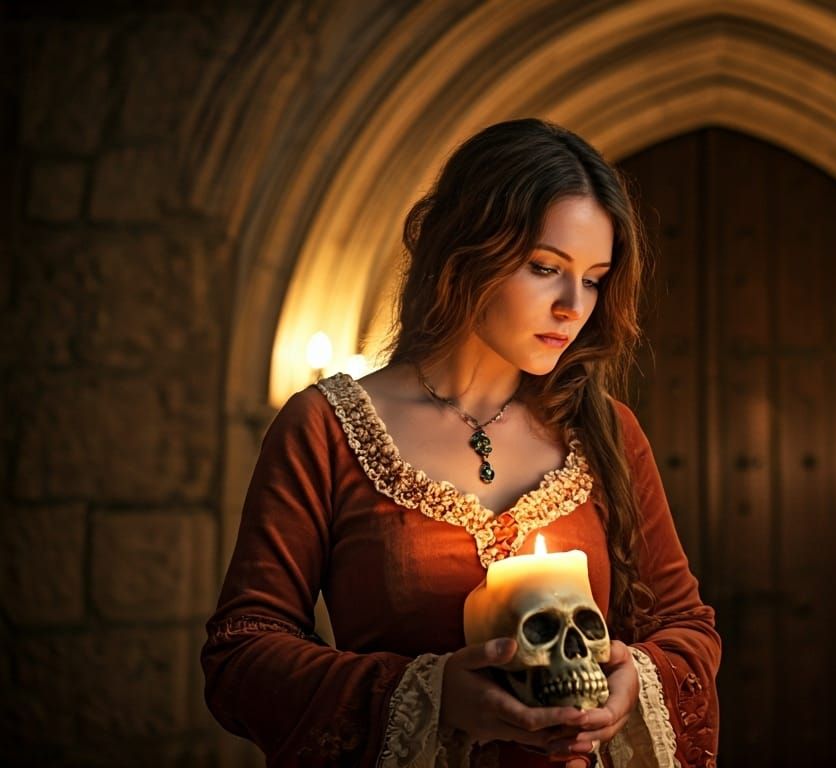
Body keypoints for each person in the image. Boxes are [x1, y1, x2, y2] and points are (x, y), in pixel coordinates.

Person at [202, 119, 721, 768]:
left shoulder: (607, 432)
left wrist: (632, 681)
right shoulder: (325, 429)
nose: (573, 305)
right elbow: (242, 651)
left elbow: (688, 629)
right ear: (462, 250)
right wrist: (429, 694)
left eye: (593, 278)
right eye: (544, 267)